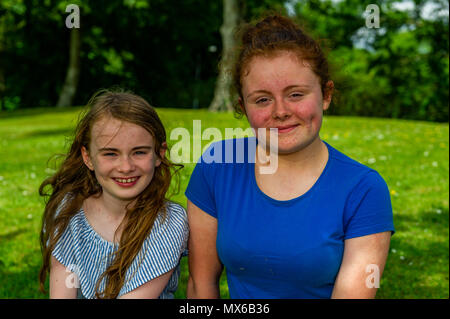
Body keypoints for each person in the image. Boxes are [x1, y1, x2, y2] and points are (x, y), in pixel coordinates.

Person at [185, 14, 395, 299]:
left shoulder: (364, 189)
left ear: (326, 95)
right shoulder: (218, 165)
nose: (280, 111)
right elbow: (201, 285)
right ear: (243, 107)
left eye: (296, 94)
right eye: (262, 99)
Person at [38, 90, 188, 299]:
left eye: (139, 152)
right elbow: (63, 284)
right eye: (110, 153)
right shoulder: (68, 209)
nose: (125, 167)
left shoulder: (168, 221)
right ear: (88, 157)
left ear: (158, 154)